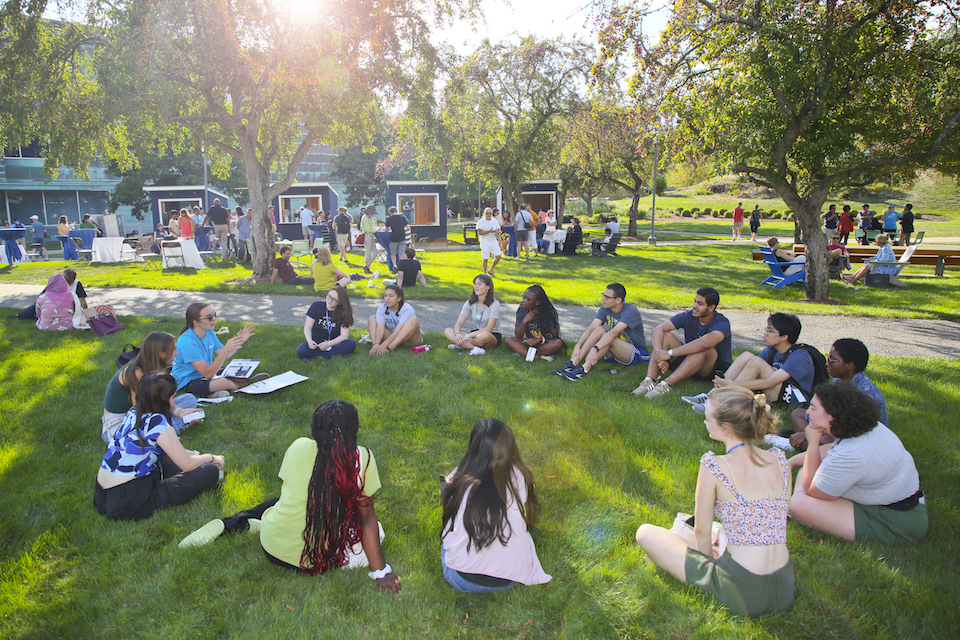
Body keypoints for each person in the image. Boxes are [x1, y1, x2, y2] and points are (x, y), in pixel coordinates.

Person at [178, 401, 401, 589]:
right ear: (354, 430)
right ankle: (256, 522)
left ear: (315, 431)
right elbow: (366, 518)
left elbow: (292, 489)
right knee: (377, 531)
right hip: (314, 558)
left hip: (272, 546)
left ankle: (250, 521)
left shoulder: (298, 446)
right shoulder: (363, 458)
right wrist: (380, 572)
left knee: (291, 498)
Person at [634, 387, 794, 617]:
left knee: (645, 532)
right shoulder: (779, 458)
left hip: (744, 590)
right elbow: (776, 517)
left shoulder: (714, 466)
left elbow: (701, 529)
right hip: (784, 586)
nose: (704, 422)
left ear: (725, 427)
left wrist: (709, 565)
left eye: (707, 418)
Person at [787, 383, 927, 544]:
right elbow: (831, 451)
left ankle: (793, 506)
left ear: (831, 416)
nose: (807, 412)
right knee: (811, 467)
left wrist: (812, 443)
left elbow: (813, 490)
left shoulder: (851, 453)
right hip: (893, 502)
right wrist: (791, 461)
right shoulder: (865, 428)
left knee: (798, 504)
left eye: (813, 408)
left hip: (897, 522)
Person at [94, 372, 223, 521]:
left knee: (173, 464)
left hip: (102, 495)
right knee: (209, 470)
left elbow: (172, 452)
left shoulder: (133, 413)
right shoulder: (157, 422)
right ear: (163, 400)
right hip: (128, 501)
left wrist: (193, 455)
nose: (174, 401)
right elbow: (187, 464)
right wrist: (211, 457)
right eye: (173, 397)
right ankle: (206, 478)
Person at [441, 418, 551, 592]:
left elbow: (449, 510)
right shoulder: (522, 478)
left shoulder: (459, 478)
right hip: (508, 580)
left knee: (449, 539)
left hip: (461, 578)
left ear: (473, 447)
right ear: (510, 448)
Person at [774, 338, 889, 452]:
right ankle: (807, 444)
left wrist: (806, 434)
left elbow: (850, 431)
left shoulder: (864, 393)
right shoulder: (838, 380)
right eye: (828, 358)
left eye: (832, 360)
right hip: (836, 426)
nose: (827, 363)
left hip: (856, 437)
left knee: (824, 440)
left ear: (849, 365)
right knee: (798, 414)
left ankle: (804, 444)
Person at [685, 313, 814, 414]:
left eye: (770, 330)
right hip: (777, 391)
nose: (765, 333)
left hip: (794, 400)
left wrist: (734, 384)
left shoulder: (799, 356)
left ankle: (720, 403)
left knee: (756, 362)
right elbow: (750, 370)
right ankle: (711, 396)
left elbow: (770, 382)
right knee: (748, 356)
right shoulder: (772, 350)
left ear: (784, 337)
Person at [101, 331, 201, 442]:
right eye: (173, 349)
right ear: (161, 353)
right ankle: (166, 433)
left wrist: (179, 412)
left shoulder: (155, 368)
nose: (176, 353)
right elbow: (140, 411)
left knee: (189, 399)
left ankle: (166, 430)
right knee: (140, 439)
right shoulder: (136, 373)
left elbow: (162, 400)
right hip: (120, 422)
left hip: (147, 411)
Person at [635, 287, 733, 399]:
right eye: (695, 301)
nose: (695, 306)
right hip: (691, 362)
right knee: (665, 336)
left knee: (702, 348)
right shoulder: (689, 315)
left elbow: (705, 344)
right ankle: (650, 380)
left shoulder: (722, 323)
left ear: (711, 308)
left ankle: (666, 384)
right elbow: (657, 330)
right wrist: (660, 354)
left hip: (711, 370)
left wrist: (670, 353)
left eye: (700, 303)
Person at [553, 282, 648, 381]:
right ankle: (573, 363)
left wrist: (595, 349)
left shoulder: (630, 311)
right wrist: (578, 345)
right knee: (599, 329)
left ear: (618, 300)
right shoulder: (606, 307)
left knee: (609, 336)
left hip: (636, 354)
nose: (603, 299)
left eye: (607, 297)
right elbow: (592, 328)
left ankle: (584, 369)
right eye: (603, 295)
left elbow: (613, 333)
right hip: (614, 352)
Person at [171, 303, 260, 398]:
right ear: (196, 322)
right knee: (225, 382)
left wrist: (239, 340)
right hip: (188, 382)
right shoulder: (188, 342)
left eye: (213, 315)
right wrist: (225, 350)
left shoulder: (209, 332)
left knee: (242, 370)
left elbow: (223, 355)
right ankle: (239, 386)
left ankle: (221, 389)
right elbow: (207, 374)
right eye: (209, 317)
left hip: (206, 375)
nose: (214, 319)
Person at [443, 274, 501, 355]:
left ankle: (462, 344)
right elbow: (459, 323)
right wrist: (457, 334)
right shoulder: (470, 302)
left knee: (484, 335)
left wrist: (468, 336)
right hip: (474, 335)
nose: (476, 286)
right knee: (447, 331)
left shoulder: (495, 303)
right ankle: (475, 348)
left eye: (479, 284)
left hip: (491, 335)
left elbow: (489, 328)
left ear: (488, 287)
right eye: (475, 284)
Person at [296, 285, 357, 359]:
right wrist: (309, 341)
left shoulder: (344, 312)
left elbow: (344, 336)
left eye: (334, 300)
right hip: (317, 341)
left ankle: (321, 356)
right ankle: (331, 355)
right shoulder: (316, 306)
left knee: (351, 343)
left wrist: (328, 344)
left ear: (340, 302)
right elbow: (307, 327)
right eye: (329, 296)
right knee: (301, 350)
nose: (330, 301)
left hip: (334, 342)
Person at [504, 285, 564, 360]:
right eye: (524, 297)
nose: (524, 301)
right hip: (528, 343)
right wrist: (524, 321)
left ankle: (523, 352)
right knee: (509, 340)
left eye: (528, 299)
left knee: (557, 343)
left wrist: (539, 339)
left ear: (537, 302)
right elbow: (518, 336)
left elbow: (555, 336)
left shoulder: (549, 312)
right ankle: (538, 356)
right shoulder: (522, 310)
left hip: (544, 343)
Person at [367, 285, 422, 355]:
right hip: (392, 336)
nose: (387, 298)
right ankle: (375, 346)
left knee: (414, 320)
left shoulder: (407, 309)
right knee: (372, 318)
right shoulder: (382, 308)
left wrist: (385, 344)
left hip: (409, 339)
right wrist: (377, 343)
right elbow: (380, 328)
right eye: (386, 296)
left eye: (391, 296)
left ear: (399, 298)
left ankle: (391, 347)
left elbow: (398, 330)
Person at [475, 207, 502, 276]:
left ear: (492, 213)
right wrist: (489, 231)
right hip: (485, 242)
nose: (488, 214)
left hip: (493, 241)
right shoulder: (481, 221)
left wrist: (497, 232)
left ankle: (490, 269)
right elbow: (480, 233)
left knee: (498, 256)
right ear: (484, 214)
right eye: (487, 213)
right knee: (485, 259)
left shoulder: (494, 220)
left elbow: (498, 229)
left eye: (489, 213)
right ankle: (484, 274)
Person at [385, 206, 410, 270]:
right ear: (396, 211)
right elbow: (408, 227)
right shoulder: (402, 218)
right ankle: (401, 266)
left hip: (394, 238)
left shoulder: (390, 219)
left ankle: (395, 265)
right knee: (401, 253)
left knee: (393, 253)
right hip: (402, 237)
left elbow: (385, 230)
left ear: (390, 212)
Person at [360, 205, 379, 275]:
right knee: (368, 252)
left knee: (375, 252)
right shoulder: (365, 218)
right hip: (367, 235)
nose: (373, 214)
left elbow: (371, 228)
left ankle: (367, 266)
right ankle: (367, 268)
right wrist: (376, 230)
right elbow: (368, 229)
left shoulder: (369, 218)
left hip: (370, 236)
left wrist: (374, 229)